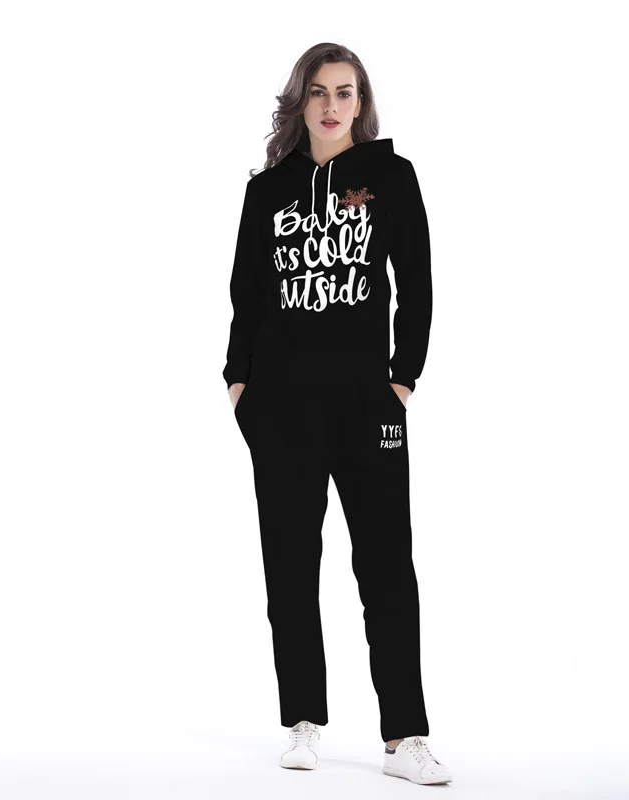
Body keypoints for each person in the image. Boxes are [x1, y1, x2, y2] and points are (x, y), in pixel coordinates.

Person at [222, 42, 451, 786]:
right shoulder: (268, 191)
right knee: (290, 568)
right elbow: (247, 294)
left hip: (367, 407)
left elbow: (417, 282)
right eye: (318, 92)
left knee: (387, 569)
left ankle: (405, 737)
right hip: (280, 406)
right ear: (301, 100)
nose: (331, 105)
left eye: (344, 92)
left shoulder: (391, 177)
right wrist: (239, 384)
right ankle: (302, 721)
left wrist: (402, 380)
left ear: (361, 102)